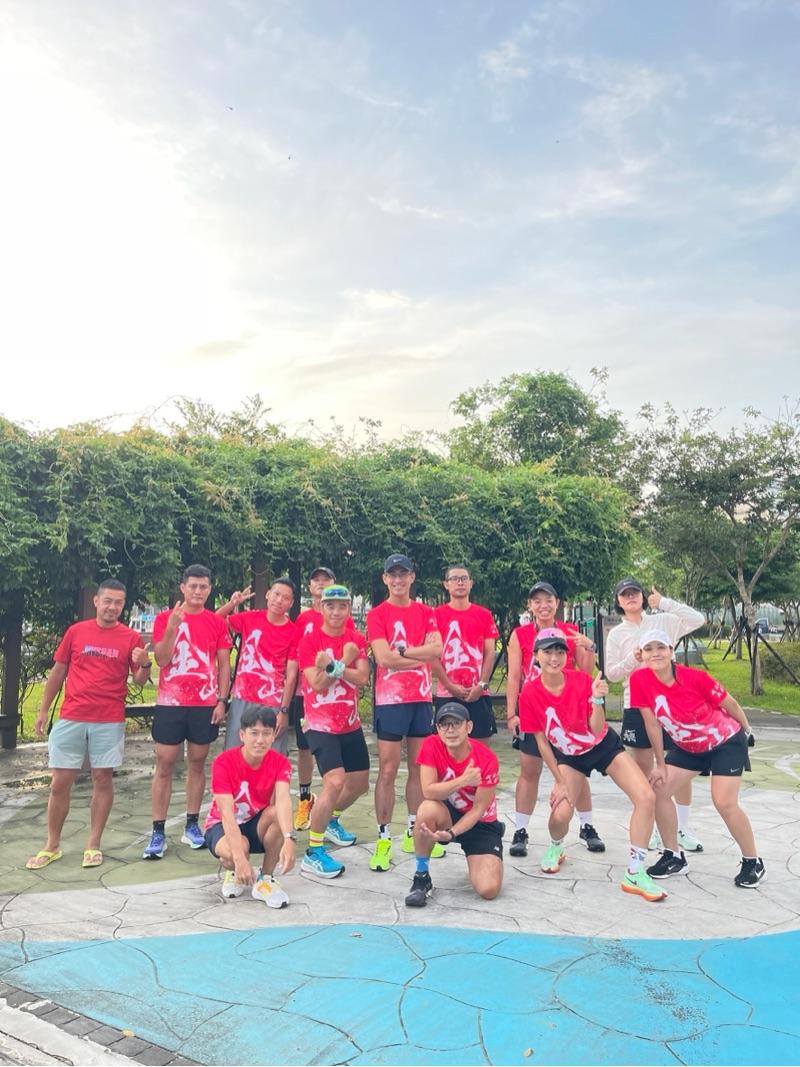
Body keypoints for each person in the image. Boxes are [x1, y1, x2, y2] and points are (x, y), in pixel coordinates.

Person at [519, 628, 666, 902]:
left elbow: (596, 728)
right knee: (560, 815)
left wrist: (597, 699)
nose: (554, 658)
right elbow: (541, 742)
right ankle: (556, 846)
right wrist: (559, 781)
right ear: (536, 655)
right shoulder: (529, 693)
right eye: (547, 652)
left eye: (560, 652)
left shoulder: (582, 680)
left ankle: (635, 872)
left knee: (646, 797)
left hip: (603, 746)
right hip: (569, 756)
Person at [26, 579, 151, 870]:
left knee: (102, 778)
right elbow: (58, 671)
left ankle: (93, 844)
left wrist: (145, 663)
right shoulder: (76, 632)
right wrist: (43, 710)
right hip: (72, 715)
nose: (112, 607)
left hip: (108, 719)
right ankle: (52, 845)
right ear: (96, 601)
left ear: (123, 605)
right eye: (107, 601)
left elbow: (139, 681)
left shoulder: (130, 637)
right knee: (60, 782)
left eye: (118, 602)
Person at [631, 631, 765, 888]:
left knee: (724, 802)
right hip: (689, 746)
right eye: (649, 649)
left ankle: (753, 861)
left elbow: (731, 704)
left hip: (725, 741)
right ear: (642, 654)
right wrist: (660, 764)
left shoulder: (695, 678)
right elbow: (652, 723)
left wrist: (747, 731)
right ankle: (674, 856)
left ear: (671, 651)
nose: (655, 653)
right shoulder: (639, 679)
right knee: (658, 790)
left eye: (661, 647)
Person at [605, 578, 706, 853]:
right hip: (636, 704)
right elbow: (612, 673)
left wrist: (664, 602)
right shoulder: (617, 634)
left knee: (680, 765)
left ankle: (683, 827)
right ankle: (648, 824)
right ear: (618, 601)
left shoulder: (663, 621)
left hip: (671, 702)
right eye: (624, 595)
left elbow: (697, 619)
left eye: (634, 593)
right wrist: (633, 659)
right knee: (643, 767)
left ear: (642, 596)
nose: (630, 598)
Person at [506, 581, 603, 858]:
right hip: (533, 709)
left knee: (577, 770)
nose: (543, 606)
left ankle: (587, 825)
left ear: (557, 603)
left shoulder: (570, 632)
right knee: (529, 770)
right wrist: (512, 713)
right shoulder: (520, 635)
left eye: (548, 600)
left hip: (568, 714)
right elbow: (514, 676)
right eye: (537, 601)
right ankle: (521, 830)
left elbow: (585, 672)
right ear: (530, 605)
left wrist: (589, 648)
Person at [143, 564, 232, 859]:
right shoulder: (165, 618)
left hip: (204, 704)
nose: (197, 591)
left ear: (209, 589)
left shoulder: (216, 622)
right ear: (182, 588)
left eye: (203, 586)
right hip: (170, 704)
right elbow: (162, 659)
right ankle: (158, 830)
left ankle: (192, 824)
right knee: (165, 763)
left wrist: (222, 700)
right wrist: (172, 628)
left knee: (197, 762)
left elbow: (223, 665)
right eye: (192, 586)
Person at [366, 553, 443, 871]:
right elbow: (383, 659)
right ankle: (384, 838)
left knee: (418, 769)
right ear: (385, 579)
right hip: (390, 701)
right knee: (387, 769)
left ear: (412, 577)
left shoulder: (426, 612)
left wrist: (404, 652)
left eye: (403, 574)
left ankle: (414, 830)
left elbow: (437, 650)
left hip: (420, 699)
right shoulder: (377, 614)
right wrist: (417, 656)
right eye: (392, 575)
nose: (398, 580)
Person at [297, 585, 370, 879]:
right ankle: (313, 852)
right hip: (319, 723)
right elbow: (315, 684)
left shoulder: (356, 639)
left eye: (342, 606)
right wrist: (342, 664)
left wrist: (332, 665)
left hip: (350, 723)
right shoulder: (310, 641)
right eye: (330, 606)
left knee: (359, 784)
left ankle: (329, 818)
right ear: (321, 608)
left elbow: (362, 677)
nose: (337, 612)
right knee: (335, 781)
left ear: (349, 608)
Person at [405, 702, 504, 907]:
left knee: (488, 889)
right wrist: (463, 781)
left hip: (480, 822)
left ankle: (493, 839)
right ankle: (422, 876)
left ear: (469, 726)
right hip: (449, 813)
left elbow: (479, 809)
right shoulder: (431, 744)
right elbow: (428, 791)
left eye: (456, 723)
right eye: (444, 724)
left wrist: (451, 834)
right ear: (438, 728)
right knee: (426, 809)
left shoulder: (487, 759)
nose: (450, 730)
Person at [203, 706, 295, 907]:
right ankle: (233, 871)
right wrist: (239, 860)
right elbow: (226, 814)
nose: (260, 740)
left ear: (274, 735)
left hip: (255, 822)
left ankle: (265, 880)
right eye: (254, 733)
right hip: (221, 824)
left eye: (266, 733)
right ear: (242, 735)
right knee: (238, 850)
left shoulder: (280, 763)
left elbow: (283, 800)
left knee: (277, 814)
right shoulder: (223, 763)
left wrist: (289, 838)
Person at [291, 567, 352, 832]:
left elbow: (350, 654)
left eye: (326, 579)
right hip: (305, 693)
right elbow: (295, 656)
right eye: (316, 579)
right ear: (310, 586)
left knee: (336, 762)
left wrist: (334, 667)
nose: (321, 583)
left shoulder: (344, 620)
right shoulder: (303, 620)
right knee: (304, 748)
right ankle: (305, 798)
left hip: (335, 696)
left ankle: (328, 812)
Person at [216, 577, 299, 755]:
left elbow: (292, 675)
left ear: (291, 603)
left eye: (285, 598)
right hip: (242, 697)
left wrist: (284, 710)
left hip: (272, 701)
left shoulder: (293, 632)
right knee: (235, 753)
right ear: (268, 595)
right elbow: (214, 620)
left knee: (270, 756)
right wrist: (232, 604)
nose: (279, 600)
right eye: (276, 594)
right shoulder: (250, 618)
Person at [432, 564, 499, 740]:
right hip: (447, 693)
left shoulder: (484, 615)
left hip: (478, 692)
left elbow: (489, 654)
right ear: (446, 584)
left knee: (480, 746)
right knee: (446, 746)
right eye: (454, 579)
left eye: (464, 578)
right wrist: (449, 685)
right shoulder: (436, 615)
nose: (460, 582)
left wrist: (482, 685)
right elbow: (432, 656)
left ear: (471, 583)